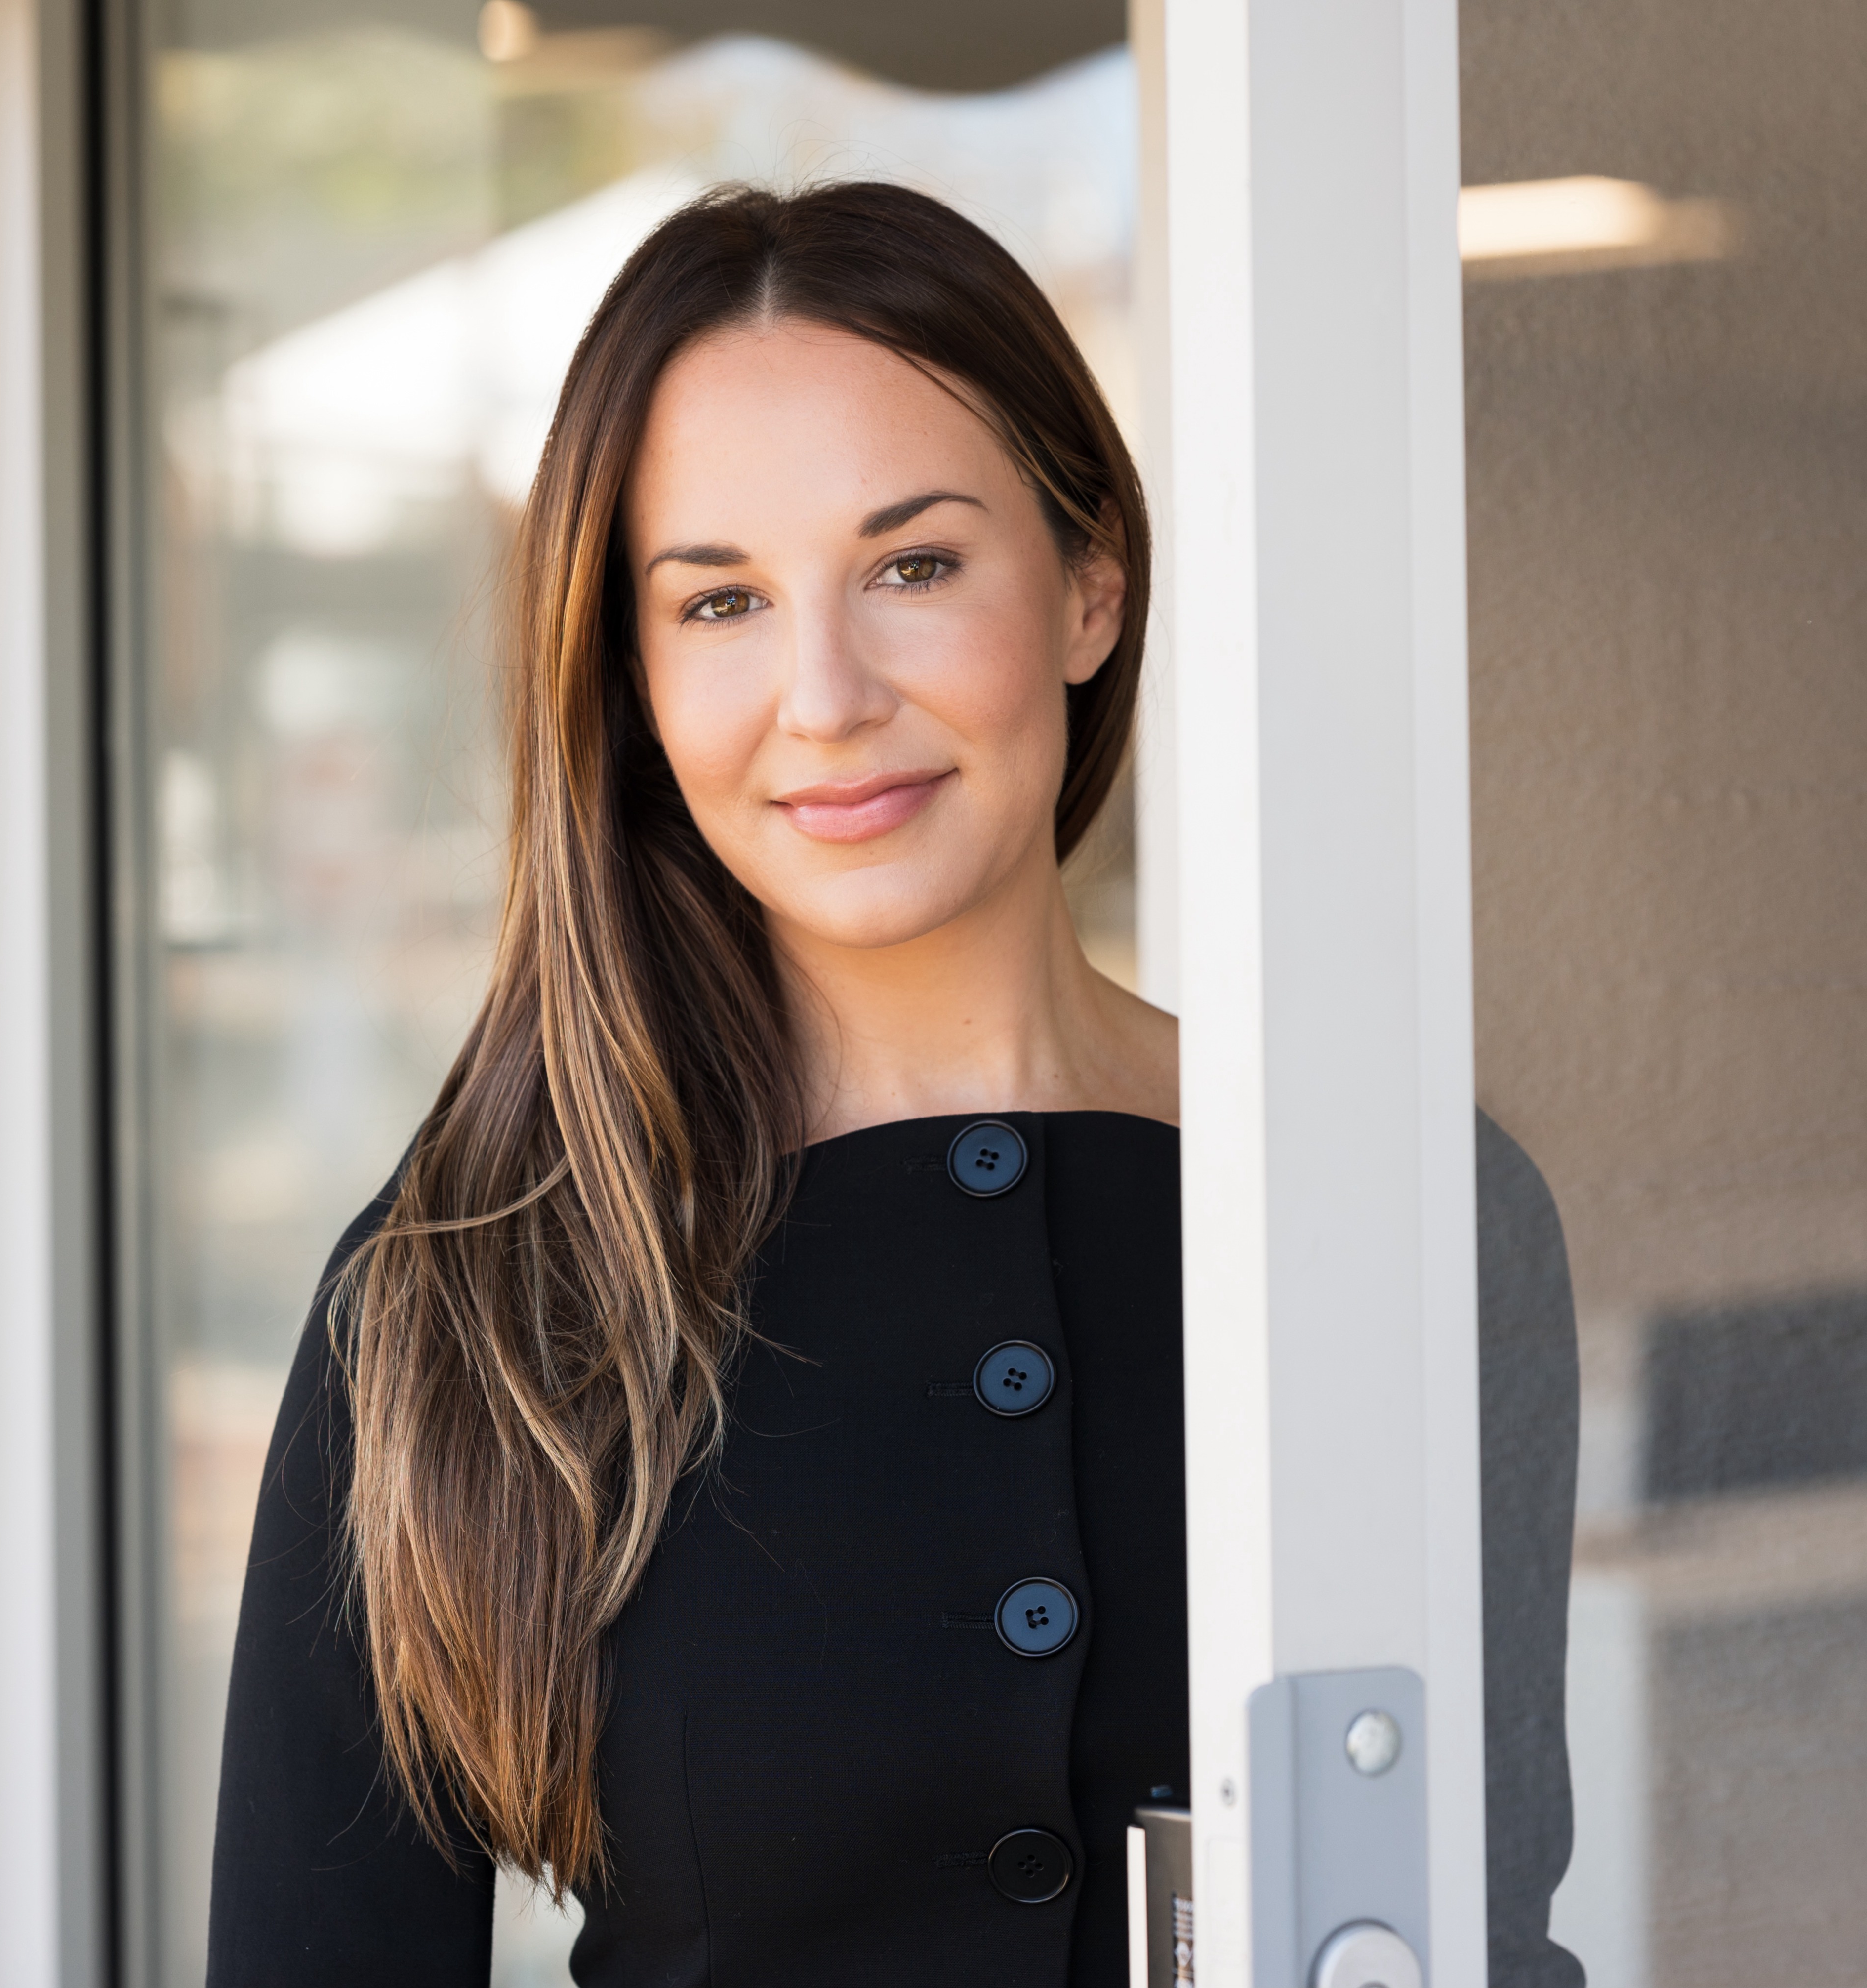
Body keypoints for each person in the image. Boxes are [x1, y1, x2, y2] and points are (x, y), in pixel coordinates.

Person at [207, 181, 1580, 1987]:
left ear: (1092, 586)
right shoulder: (467, 1290)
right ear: (630, 675)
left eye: (915, 567)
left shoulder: (1407, 1206)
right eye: (720, 604)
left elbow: (1478, 1926)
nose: (826, 693)